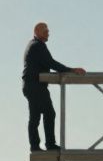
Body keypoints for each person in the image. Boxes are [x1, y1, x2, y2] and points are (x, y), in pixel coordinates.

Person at [22, 22, 86, 152]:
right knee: (49, 113)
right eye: (45, 31)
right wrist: (71, 70)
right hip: (36, 86)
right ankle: (49, 144)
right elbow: (51, 63)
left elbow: (47, 63)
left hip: (31, 85)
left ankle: (35, 146)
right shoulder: (38, 46)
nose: (48, 33)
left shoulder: (34, 44)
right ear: (37, 31)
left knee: (35, 116)